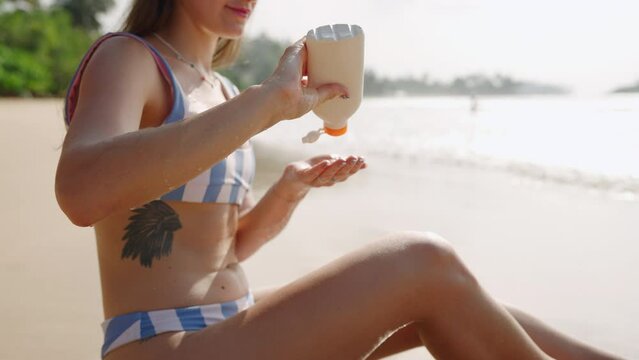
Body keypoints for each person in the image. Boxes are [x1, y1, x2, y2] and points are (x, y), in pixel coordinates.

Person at [55, 1, 622, 359]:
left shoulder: (222, 90)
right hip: (163, 343)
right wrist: (264, 109)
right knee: (423, 261)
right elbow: (81, 192)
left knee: (466, 299)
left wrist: (287, 192)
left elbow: (224, 252)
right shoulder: (129, 58)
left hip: (230, 324)